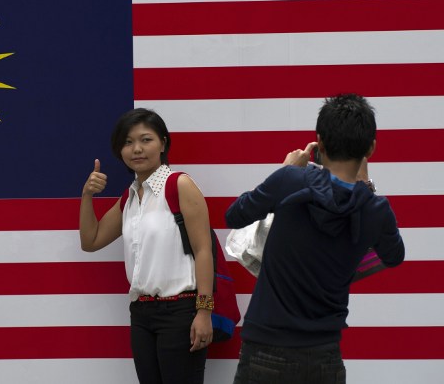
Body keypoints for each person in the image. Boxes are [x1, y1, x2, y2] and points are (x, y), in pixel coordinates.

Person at [226, 93, 405, 384]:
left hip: (264, 348)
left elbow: (234, 215)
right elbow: (394, 255)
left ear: (319, 143)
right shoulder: (375, 209)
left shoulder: (289, 182)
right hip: (325, 355)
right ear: (370, 148)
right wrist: (365, 188)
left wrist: (286, 169)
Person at [79, 108, 215, 384]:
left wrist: (203, 312)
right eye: (128, 142)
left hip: (181, 312)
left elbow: (204, 250)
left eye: (146, 140)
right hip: (141, 315)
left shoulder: (179, 184)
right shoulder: (129, 198)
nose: (137, 149)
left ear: (163, 143)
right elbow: (90, 241)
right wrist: (87, 195)